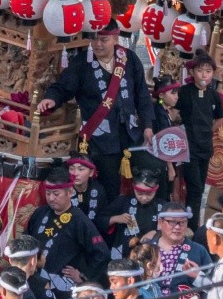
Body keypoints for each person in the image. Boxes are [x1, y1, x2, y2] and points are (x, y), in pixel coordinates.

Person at [39, 27, 161, 196]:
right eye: (94, 39)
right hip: (100, 139)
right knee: (108, 185)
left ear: (115, 39)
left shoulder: (129, 58)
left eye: (104, 40)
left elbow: (142, 95)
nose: (98, 44)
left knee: (150, 174)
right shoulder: (82, 62)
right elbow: (63, 87)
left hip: (131, 134)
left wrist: (147, 125)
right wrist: (51, 98)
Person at [27, 165, 109, 288]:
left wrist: (83, 276)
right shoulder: (40, 212)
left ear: (70, 192)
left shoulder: (79, 219)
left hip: (62, 284)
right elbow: (27, 239)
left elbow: (102, 253)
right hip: (35, 279)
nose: (51, 198)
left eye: (56, 194)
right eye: (48, 193)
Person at [175, 56, 223, 217]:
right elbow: (174, 111)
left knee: (200, 188)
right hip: (188, 146)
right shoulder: (184, 92)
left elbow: (220, 117)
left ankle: (191, 220)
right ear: (192, 72)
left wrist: (209, 131)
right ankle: (192, 223)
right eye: (200, 71)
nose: (204, 75)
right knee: (194, 187)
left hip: (205, 146)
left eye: (208, 71)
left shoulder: (214, 95)